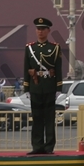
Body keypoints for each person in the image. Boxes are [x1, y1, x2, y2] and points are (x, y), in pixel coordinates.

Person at [23, 16, 63, 154]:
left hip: (49, 86)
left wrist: (58, 88)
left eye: (42, 29)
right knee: (37, 118)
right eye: (38, 29)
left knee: (49, 118)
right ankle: (37, 146)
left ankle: (48, 147)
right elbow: (26, 68)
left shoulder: (55, 48)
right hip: (35, 86)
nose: (40, 32)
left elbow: (58, 69)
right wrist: (26, 87)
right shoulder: (30, 48)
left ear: (48, 31)